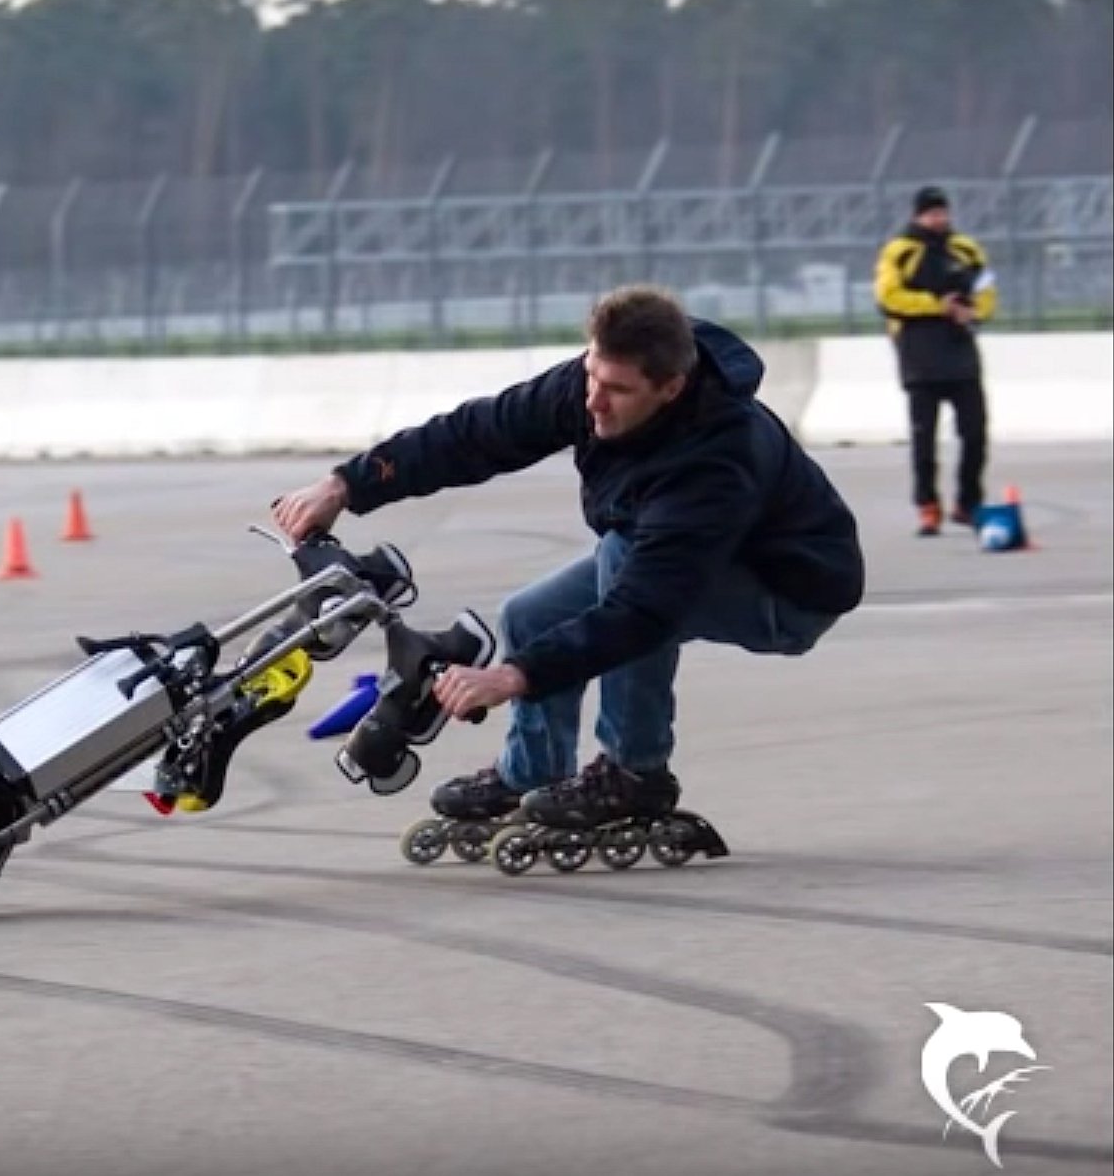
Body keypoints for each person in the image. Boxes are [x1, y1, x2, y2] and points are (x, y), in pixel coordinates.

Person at [271, 285, 866, 829]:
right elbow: (476, 435)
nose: (594, 402)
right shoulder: (594, 383)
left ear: (670, 388)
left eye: (617, 391)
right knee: (530, 617)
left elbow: (642, 614)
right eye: (591, 377)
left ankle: (636, 773)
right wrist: (347, 485)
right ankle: (534, 770)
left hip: (786, 592)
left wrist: (510, 676)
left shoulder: (715, 462)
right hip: (679, 564)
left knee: (622, 566)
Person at [873, 186, 998, 537]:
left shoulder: (966, 249)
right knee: (924, 439)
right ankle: (928, 507)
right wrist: (937, 306)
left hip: (961, 353)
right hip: (919, 355)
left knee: (975, 433)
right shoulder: (900, 251)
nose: (938, 219)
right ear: (918, 215)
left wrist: (972, 312)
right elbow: (888, 297)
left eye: (942, 212)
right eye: (932, 213)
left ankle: (968, 503)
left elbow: (987, 290)